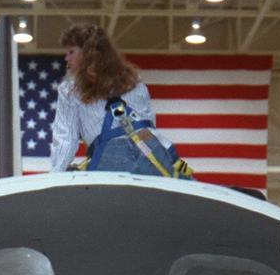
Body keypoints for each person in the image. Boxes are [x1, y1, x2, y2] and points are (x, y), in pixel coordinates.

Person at [48, 23, 189, 178]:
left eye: (71, 52)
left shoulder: (70, 90)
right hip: (150, 151)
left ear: (87, 54)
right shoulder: (134, 80)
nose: (66, 58)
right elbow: (149, 125)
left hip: (110, 159)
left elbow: (66, 138)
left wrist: (55, 175)